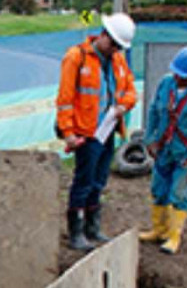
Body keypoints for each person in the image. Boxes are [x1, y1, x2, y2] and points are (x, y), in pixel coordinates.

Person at [55, 13, 138, 250]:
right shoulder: (76, 58)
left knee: (99, 181)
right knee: (84, 181)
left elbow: (131, 90)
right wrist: (68, 132)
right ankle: (76, 231)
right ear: (103, 35)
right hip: (85, 133)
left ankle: (93, 227)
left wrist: (124, 105)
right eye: (113, 44)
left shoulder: (118, 62)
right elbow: (65, 99)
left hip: (108, 130)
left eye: (119, 47)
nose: (115, 50)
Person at [139, 45, 187, 255]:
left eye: (183, 75)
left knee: (178, 194)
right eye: (176, 73)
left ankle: (173, 236)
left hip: (185, 156)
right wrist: (150, 139)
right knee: (159, 189)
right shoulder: (165, 84)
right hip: (164, 149)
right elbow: (154, 110)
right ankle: (158, 230)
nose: (178, 78)